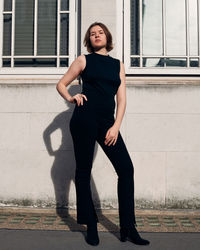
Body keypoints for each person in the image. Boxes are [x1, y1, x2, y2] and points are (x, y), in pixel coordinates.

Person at [56, 22, 150, 246]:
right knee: (83, 170)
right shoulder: (84, 60)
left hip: (108, 122)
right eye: (92, 34)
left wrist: (116, 125)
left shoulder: (118, 65)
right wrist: (71, 98)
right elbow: (61, 84)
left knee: (126, 169)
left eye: (100, 32)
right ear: (89, 40)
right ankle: (91, 225)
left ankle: (128, 226)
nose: (96, 35)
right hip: (84, 120)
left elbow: (122, 99)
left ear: (107, 37)